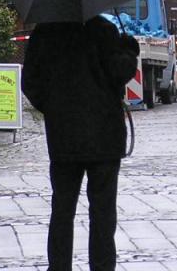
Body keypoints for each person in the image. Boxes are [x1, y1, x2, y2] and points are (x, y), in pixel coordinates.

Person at [21, 17, 139, 271]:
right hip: (104, 137)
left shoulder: (45, 33)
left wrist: (54, 109)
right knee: (102, 212)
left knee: (62, 210)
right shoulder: (103, 30)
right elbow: (120, 72)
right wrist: (129, 49)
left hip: (64, 136)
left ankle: (59, 267)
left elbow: (29, 81)